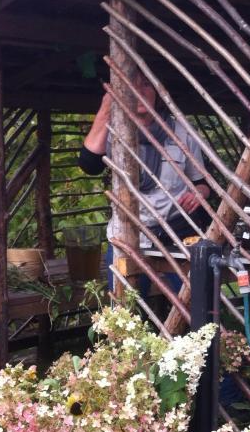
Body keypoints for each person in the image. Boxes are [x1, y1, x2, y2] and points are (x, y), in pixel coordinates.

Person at [78, 74, 210, 289]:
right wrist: (106, 108)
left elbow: (202, 183)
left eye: (147, 84)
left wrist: (199, 193)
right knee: (125, 314)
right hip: (128, 236)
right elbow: (89, 164)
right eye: (133, 85)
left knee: (193, 307)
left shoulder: (181, 133)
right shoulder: (112, 130)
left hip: (178, 236)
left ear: (158, 92)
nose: (140, 90)